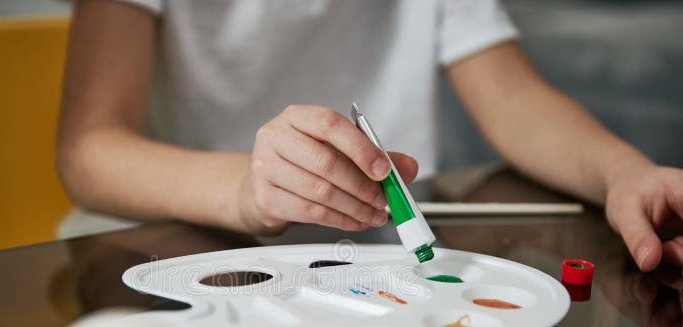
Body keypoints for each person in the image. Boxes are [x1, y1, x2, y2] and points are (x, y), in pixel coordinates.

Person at [57, 0, 683, 273]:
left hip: (384, 272)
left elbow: (515, 99)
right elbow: (88, 150)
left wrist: (622, 172)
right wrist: (248, 190)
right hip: (198, 255)